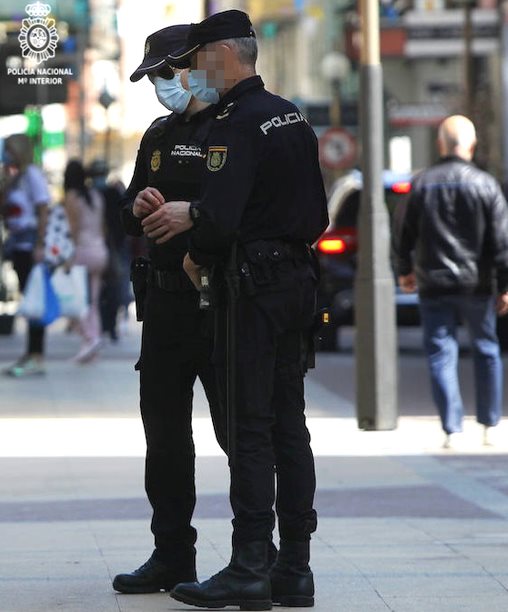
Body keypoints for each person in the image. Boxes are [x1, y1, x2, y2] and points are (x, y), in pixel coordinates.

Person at [162, 10, 329, 610]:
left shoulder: (234, 123)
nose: (191, 71)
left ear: (223, 56)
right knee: (290, 425)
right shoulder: (291, 115)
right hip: (296, 282)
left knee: (250, 426)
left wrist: (196, 233)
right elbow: (318, 214)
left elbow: (221, 217)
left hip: (250, 289)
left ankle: (249, 563)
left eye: (197, 59)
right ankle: (296, 568)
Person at [111, 25, 227, 595]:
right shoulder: (157, 135)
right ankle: (171, 554)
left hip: (223, 302)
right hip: (164, 304)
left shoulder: (236, 126)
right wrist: (139, 205)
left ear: (197, 66)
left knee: (241, 432)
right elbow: (129, 213)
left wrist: (194, 213)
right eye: (154, 77)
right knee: (164, 433)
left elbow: (252, 205)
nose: (161, 86)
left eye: (166, 73)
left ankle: (260, 553)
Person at [397, 115, 508, 449]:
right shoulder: (486, 185)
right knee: (487, 349)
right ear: (471, 146)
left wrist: (405, 269)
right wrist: (503, 284)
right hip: (477, 286)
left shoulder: (422, 184)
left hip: (434, 283)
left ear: (440, 145)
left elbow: (404, 233)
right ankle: (489, 424)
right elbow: (501, 240)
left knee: (440, 353)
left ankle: (452, 428)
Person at [1, 134, 49, 377]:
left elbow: (42, 209)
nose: (7, 154)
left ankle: (36, 354)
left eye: (9, 150)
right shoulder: (16, 176)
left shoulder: (31, 175)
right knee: (29, 300)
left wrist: (40, 244)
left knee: (34, 301)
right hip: (18, 245)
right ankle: (31, 352)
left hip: (30, 245)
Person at [63, 159, 108, 363]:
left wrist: (68, 256)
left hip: (81, 251)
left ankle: (90, 337)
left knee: (77, 301)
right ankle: (92, 344)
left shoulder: (72, 197)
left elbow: (72, 228)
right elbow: (102, 226)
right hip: (100, 251)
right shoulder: (96, 196)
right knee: (94, 302)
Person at [86, 159, 127, 342]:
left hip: (112, 248)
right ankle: (102, 325)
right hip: (97, 247)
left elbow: (121, 222)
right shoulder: (89, 194)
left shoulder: (112, 194)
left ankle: (109, 325)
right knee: (98, 290)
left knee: (114, 289)